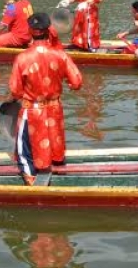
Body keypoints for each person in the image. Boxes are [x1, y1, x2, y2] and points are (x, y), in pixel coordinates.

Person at [9, 13, 83, 185]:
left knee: (23, 148)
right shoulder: (61, 55)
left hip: (33, 109)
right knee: (55, 139)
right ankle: (58, 167)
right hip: (54, 107)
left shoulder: (22, 58)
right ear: (48, 29)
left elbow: (15, 90)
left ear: (31, 31)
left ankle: (30, 178)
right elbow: (77, 82)